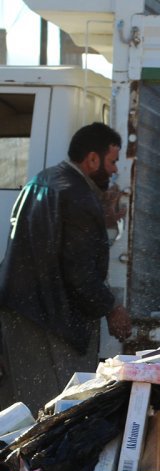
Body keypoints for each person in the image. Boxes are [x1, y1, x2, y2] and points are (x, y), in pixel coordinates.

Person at [0, 122, 132, 410]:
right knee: (55, 411)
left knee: (15, 410)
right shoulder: (77, 196)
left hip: (18, 315)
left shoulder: (42, 180)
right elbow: (79, 271)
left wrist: (103, 219)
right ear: (93, 158)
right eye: (112, 161)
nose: (114, 170)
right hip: (51, 322)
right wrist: (111, 308)